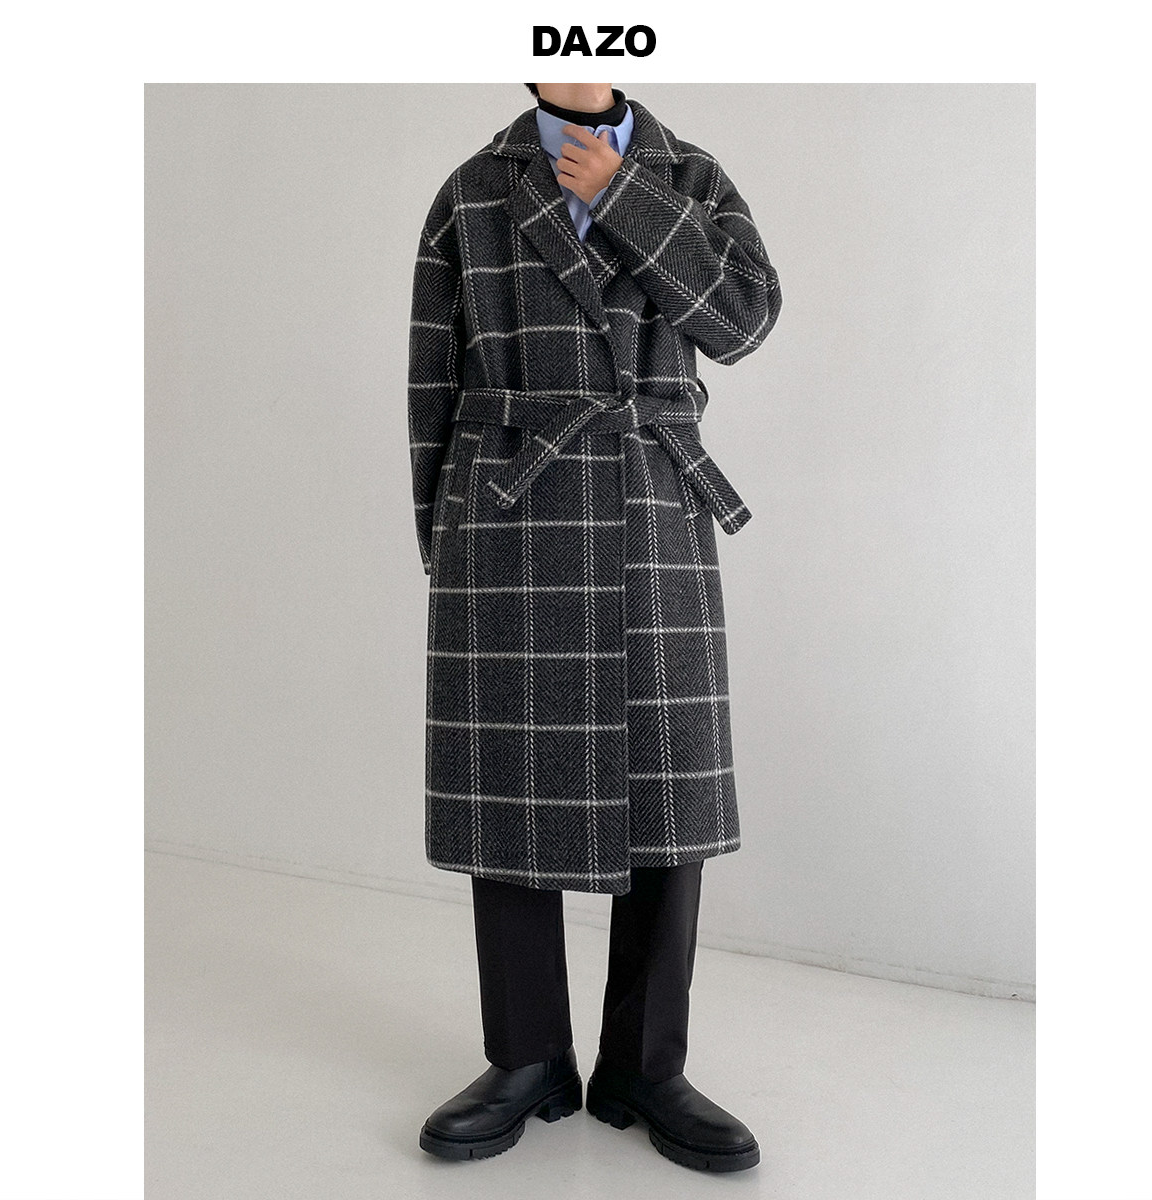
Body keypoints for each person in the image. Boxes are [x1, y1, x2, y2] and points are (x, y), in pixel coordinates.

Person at [407, 82, 781, 1171]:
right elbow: (432, 378)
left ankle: (647, 1066)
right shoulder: (471, 192)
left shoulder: (689, 177)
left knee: (669, 785)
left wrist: (623, 195)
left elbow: (741, 322)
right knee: (507, 785)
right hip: (507, 507)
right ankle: (526, 1057)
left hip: (652, 501)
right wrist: (444, 536)